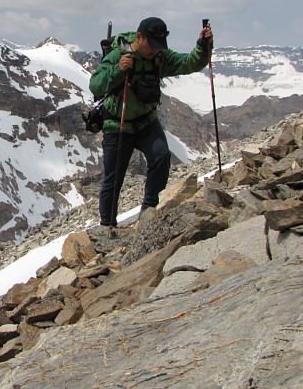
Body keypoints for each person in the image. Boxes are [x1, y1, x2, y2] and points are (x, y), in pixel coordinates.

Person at [89, 17, 213, 234]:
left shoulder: (159, 57)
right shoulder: (120, 54)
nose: (155, 51)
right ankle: (107, 227)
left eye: (159, 47)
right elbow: (96, 85)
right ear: (139, 37)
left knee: (161, 157)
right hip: (117, 124)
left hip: (146, 122)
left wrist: (202, 46)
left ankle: (148, 212)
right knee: (114, 178)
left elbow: (189, 63)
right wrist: (118, 69)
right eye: (152, 45)